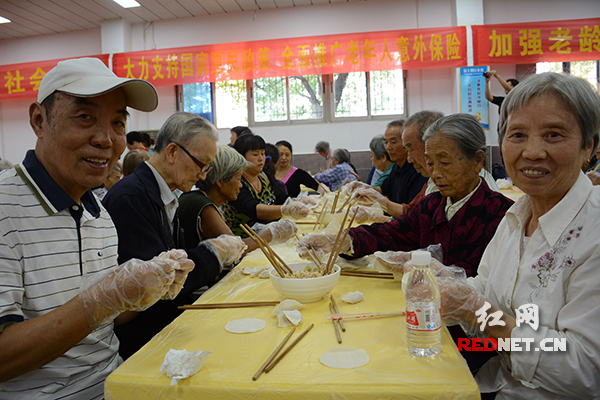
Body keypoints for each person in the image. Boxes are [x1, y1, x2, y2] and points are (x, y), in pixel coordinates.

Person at [0, 57, 196, 399]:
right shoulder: (5, 208)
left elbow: (104, 322)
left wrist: (147, 287)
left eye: (118, 122)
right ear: (39, 120)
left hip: (117, 383)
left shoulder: (99, 214)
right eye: (85, 117)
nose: (106, 139)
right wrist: (101, 298)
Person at [430, 72, 600, 399]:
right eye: (518, 135)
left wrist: (479, 312)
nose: (532, 152)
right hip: (493, 381)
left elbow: (585, 368)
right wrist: (449, 284)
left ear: (587, 147)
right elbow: (488, 287)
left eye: (553, 134)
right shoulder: (518, 214)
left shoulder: (592, 231)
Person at [298, 113, 513, 279]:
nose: (435, 173)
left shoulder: (501, 215)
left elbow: (480, 281)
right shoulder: (432, 204)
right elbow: (390, 232)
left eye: (444, 163)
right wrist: (343, 240)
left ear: (477, 161)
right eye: (430, 163)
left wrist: (430, 268)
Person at [103, 112, 247, 359]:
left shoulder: (167, 194)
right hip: (144, 342)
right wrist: (213, 253)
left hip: (165, 327)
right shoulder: (132, 198)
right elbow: (156, 285)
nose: (203, 175)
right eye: (201, 164)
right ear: (171, 152)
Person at [178, 145, 298, 254]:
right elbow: (237, 248)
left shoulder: (206, 200)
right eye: (239, 179)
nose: (241, 185)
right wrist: (271, 233)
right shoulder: (202, 205)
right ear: (221, 181)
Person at [346, 113, 440, 218]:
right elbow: (385, 190)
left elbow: (412, 217)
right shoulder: (396, 167)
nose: (388, 147)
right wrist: (363, 188)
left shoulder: (419, 171)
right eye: (386, 142)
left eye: (393, 142)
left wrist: (379, 216)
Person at [224, 134, 310, 237]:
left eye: (263, 153)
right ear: (241, 157)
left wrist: (297, 202)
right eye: (255, 155)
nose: (261, 159)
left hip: (270, 235)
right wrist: (285, 209)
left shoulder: (263, 176)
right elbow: (255, 210)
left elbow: (283, 198)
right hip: (247, 240)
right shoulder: (237, 182)